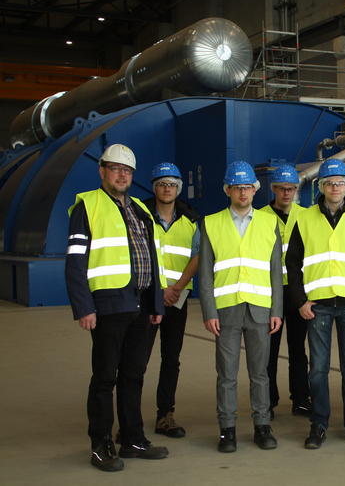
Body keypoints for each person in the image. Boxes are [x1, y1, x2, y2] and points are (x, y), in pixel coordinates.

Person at [65, 143, 168, 472]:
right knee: (105, 377)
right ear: (102, 171)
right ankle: (100, 444)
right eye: (115, 168)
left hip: (141, 304)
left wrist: (156, 304)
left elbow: (153, 259)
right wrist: (84, 306)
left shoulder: (140, 208)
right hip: (108, 305)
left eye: (127, 171)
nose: (122, 175)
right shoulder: (88, 206)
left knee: (134, 375)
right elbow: (75, 261)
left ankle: (133, 438)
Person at [285, 158, 345, 449]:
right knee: (318, 368)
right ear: (321, 187)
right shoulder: (304, 218)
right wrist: (300, 300)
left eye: (340, 183)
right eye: (329, 183)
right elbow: (293, 262)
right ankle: (319, 424)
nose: (335, 187)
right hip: (318, 305)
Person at [198, 161, 283, 453]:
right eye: (237, 187)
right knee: (227, 374)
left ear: (255, 190)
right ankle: (227, 430)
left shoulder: (270, 223)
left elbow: (276, 271)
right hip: (226, 311)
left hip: (260, 309)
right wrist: (209, 312)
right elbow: (205, 274)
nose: (243, 192)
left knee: (261, 373)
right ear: (227, 190)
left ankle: (262, 426)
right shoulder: (211, 223)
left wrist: (277, 311)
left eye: (247, 187)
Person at [144, 162, 200, 439]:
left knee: (171, 358)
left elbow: (196, 257)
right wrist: (160, 289)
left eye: (172, 184)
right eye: (162, 184)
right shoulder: (140, 215)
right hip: (147, 297)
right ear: (154, 188)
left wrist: (176, 287)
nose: (167, 189)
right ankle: (129, 420)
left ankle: (165, 415)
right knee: (136, 360)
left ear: (178, 188)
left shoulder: (190, 220)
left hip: (177, 298)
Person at [261, 164, 312, 419]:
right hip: (270, 293)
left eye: (291, 189)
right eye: (282, 189)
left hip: (297, 292)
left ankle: (301, 399)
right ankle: (268, 402)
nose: (286, 193)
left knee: (298, 349)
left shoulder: (306, 216)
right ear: (273, 189)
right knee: (268, 351)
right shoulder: (259, 217)